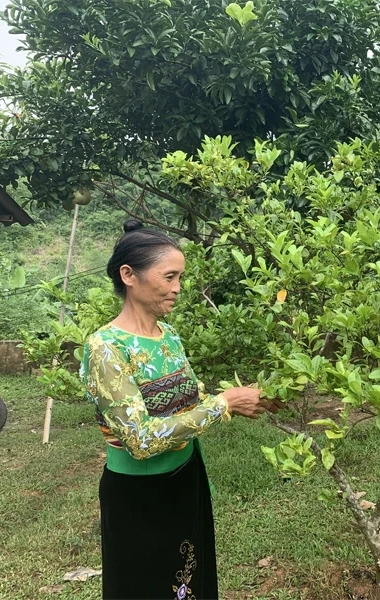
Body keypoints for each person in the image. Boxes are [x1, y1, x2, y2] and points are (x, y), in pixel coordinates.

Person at [80, 220, 280, 600]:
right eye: (169, 277)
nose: (177, 288)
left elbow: (187, 405)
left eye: (180, 278)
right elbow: (140, 439)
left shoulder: (167, 335)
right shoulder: (105, 347)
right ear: (129, 275)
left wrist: (245, 399)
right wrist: (224, 405)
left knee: (190, 583)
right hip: (140, 496)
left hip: (185, 480)